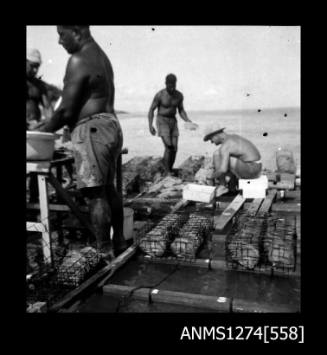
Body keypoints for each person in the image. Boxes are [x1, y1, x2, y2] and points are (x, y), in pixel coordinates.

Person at [36, 25, 127, 260]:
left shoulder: (79, 59)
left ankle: (103, 251)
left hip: (92, 130)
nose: (59, 41)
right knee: (108, 189)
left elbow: (65, 111)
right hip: (111, 126)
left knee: (94, 194)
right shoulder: (100, 56)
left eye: (61, 34)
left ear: (75, 31)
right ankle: (117, 243)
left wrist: (40, 133)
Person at [148, 74, 198, 175]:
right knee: (169, 145)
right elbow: (151, 110)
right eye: (170, 85)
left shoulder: (179, 95)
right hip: (162, 120)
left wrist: (188, 120)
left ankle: (169, 169)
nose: (172, 88)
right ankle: (166, 171)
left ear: (176, 84)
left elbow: (181, 110)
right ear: (166, 84)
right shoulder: (160, 95)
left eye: (173, 85)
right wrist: (150, 125)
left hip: (173, 121)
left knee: (175, 147)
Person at [203, 124, 262, 192]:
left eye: (211, 139)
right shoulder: (233, 137)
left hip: (252, 170)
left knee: (218, 155)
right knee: (222, 156)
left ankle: (222, 186)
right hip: (256, 168)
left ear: (216, 135)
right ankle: (231, 188)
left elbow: (223, 170)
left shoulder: (226, 146)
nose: (211, 142)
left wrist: (211, 177)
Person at [26, 48, 54, 129]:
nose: (35, 70)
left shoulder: (39, 85)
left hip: (34, 128)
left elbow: (48, 108)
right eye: (32, 66)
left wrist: (48, 123)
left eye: (37, 67)